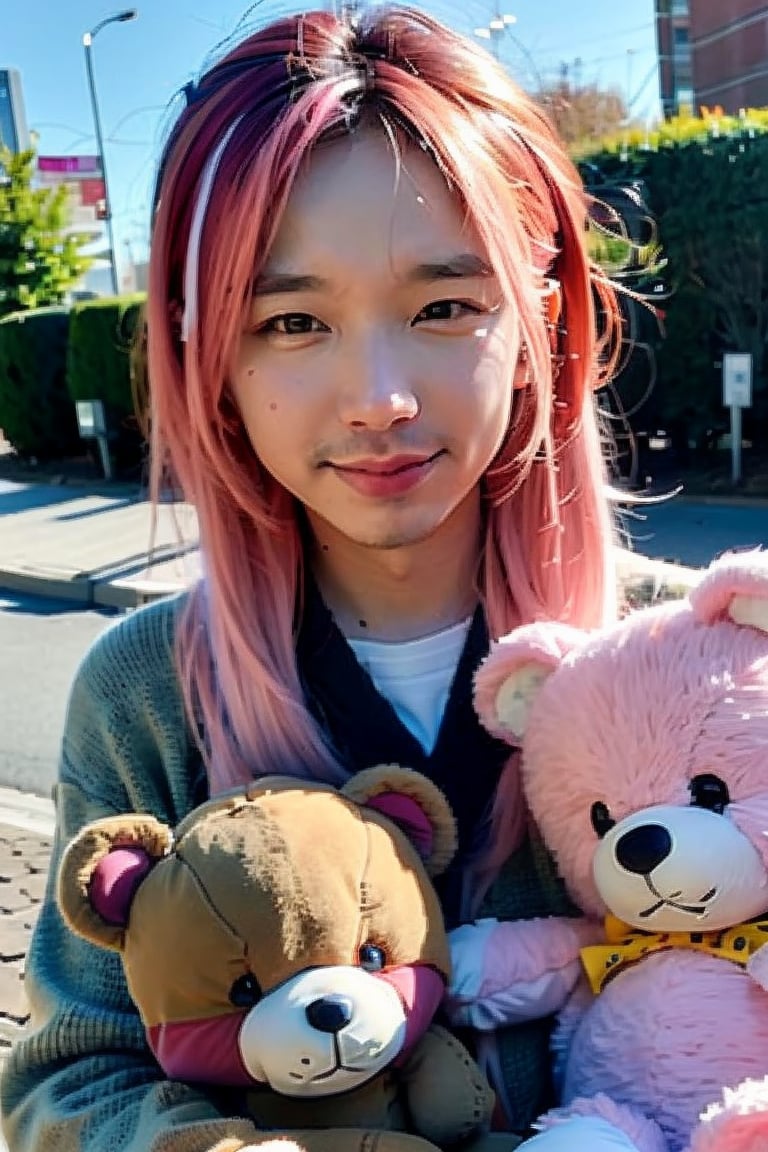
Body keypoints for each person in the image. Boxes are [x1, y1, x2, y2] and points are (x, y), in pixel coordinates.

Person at [1, 4, 640, 1150]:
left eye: (446, 306)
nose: (378, 396)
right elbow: (68, 1079)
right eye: (292, 322)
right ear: (216, 360)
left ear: (543, 320)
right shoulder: (150, 692)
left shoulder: (683, 653)